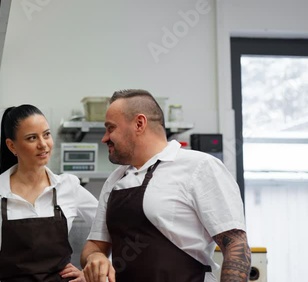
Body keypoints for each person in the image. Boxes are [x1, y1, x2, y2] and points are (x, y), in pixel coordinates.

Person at [80, 89, 251, 282]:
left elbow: (235, 245)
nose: (104, 138)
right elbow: (95, 245)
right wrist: (95, 257)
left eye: (111, 128)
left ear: (139, 123)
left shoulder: (200, 167)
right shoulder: (116, 179)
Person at [0, 104, 98, 281]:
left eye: (46, 134)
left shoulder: (67, 185)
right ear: (12, 146)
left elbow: (108, 226)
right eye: (32, 138)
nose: (43, 144)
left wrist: (91, 271)